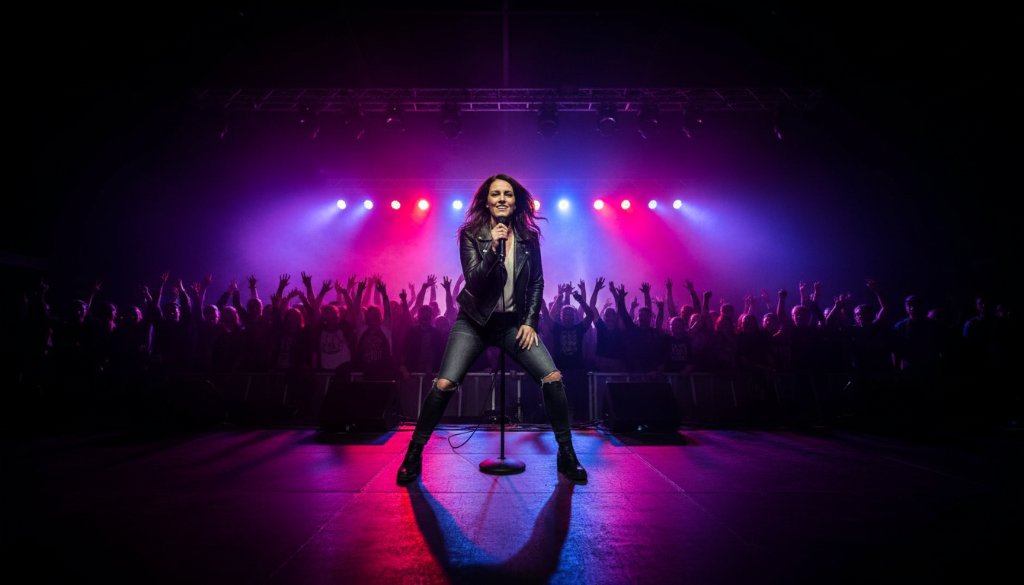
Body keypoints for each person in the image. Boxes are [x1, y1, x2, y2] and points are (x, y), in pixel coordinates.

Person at [397, 174, 587, 484]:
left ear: (515, 202)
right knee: (444, 385)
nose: (501, 198)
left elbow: (537, 282)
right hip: (473, 323)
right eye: (495, 193)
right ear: (487, 201)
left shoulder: (529, 238)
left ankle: (566, 455)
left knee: (552, 379)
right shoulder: (471, 234)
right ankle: (414, 454)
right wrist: (494, 246)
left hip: (512, 324)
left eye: (508, 194)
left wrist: (529, 322)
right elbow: (474, 280)